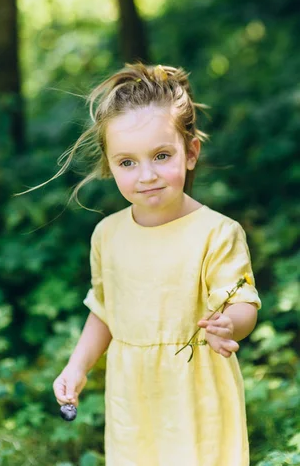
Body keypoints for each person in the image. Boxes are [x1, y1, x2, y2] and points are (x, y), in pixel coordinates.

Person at [51, 62, 261, 466]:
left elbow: (243, 302)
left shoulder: (216, 233)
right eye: (127, 162)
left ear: (190, 153)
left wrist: (229, 324)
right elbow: (104, 311)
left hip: (196, 393)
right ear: (110, 166)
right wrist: (77, 367)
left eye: (161, 155)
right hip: (133, 394)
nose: (146, 175)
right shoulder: (108, 235)